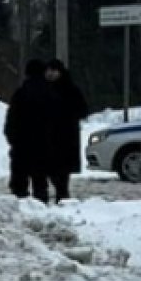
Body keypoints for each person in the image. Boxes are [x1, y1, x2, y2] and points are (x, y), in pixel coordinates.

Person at [4, 58, 53, 203]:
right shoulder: (49, 94)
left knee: (19, 183)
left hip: (21, 145)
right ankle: (41, 209)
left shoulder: (20, 93)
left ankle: (20, 209)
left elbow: (11, 119)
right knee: (40, 183)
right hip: (42, 145)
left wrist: (13, 139)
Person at [45, 58, 89, 202]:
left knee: (62, 171)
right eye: (48, 71)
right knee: (49, 169)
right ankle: (60, 195)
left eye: (53, 71)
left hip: (66, 136)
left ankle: (63, 197)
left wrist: (66, 115)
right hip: (47, 136)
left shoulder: (70, 89)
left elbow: (83, 109)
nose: (50, 74)